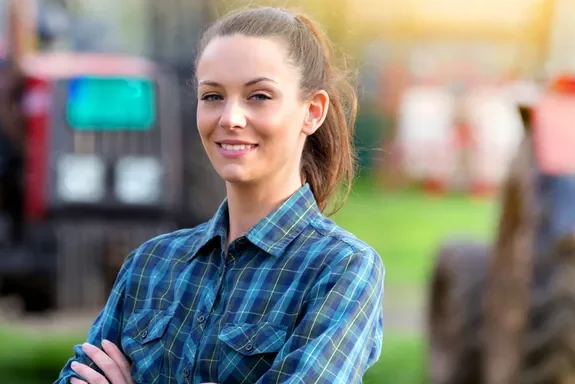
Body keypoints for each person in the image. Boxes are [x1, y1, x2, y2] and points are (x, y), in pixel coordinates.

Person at [55, 6, 384, 384]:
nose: (230, 118)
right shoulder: (149, 264)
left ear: (312, 111)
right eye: (212, 96)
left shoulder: (341, 269)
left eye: (259, 96)